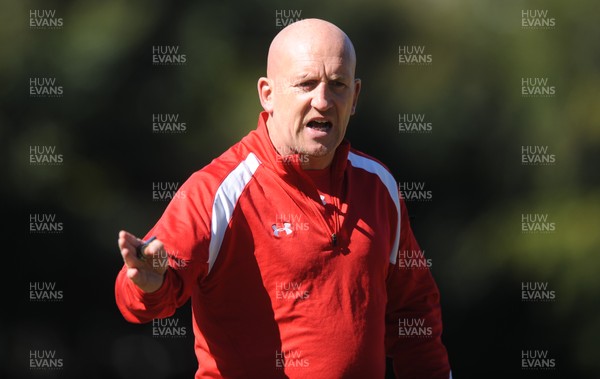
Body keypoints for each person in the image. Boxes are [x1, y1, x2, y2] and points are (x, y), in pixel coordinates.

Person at [115, 18, 451, 378]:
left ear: (355, 97)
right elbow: (142, 297)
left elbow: (414, 313)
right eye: (306, 83)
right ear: (267, 93)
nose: (322, 101)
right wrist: (146, 284)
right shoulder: (218, 189)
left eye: (337, 85)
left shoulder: (379, 184)